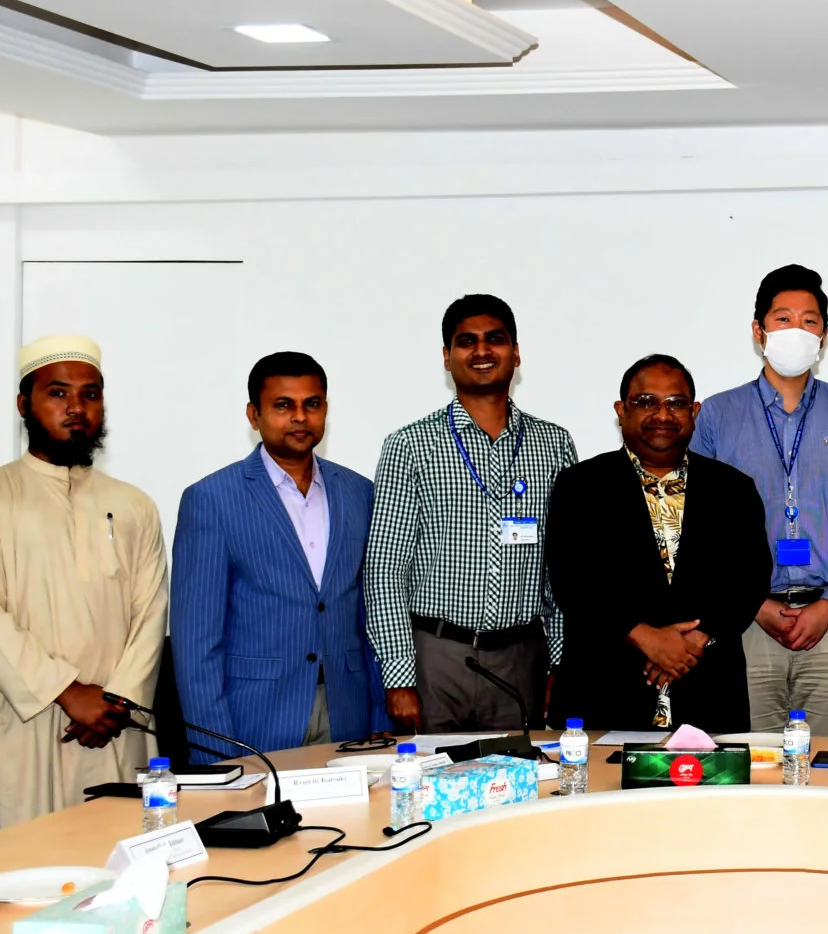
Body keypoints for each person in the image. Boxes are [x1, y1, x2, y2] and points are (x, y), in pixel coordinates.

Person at [0, 335, 168, 839]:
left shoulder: (134, 506)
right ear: (24, 404)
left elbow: (152, 613)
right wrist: (66, 691)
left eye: (90, 394)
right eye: (58, 393)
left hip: (114, 724)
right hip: (17, 726)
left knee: (120, 860)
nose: (76, 408)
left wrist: (118, 700)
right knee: (19, 864)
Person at [691, 264, 828, 735]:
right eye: (783, 319)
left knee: (824, 766)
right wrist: (753, 604)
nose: (796, 330)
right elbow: (700, 528)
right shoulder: (717, 415)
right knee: (749, 763)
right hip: (745, 626)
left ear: (824, 335)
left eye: (809, 321)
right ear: (758, 330)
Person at [365, 295, 576, 734]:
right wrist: (399, 676)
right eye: (466, 342)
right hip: (436, 657)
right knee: (433, 775)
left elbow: (563, 571)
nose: (481, 351)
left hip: (523, 656)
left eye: (495, 339)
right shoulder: (410, 445)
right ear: (447, 357)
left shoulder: (553, 444)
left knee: (522, 775)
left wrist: (559, 661)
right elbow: (385, 569)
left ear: (516, 353)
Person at [171, 352, 389, 762]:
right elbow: (196, 642)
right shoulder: (211, 499)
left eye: (312, 404)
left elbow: (372, 616)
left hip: (350, 713)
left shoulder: (359, 492)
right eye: (283, 405)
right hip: (255, 719)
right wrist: (217, 754)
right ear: (253, 415)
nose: (300, 417)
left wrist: (381, 713)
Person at [544, 355, 770, 733]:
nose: (662, 414)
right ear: (622, 410)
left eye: (676, 403)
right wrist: (646, 637)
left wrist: (694, 641)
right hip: (604, 694)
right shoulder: (580, 486)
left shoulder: (733, 489)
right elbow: (571, 580)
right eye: (646, 401)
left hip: (708, 692)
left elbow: (751, 578)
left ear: (694, 412)